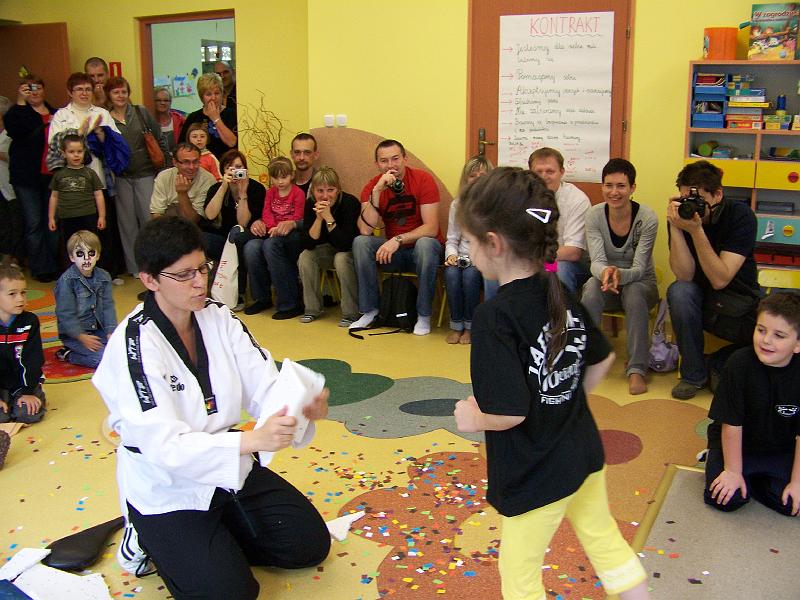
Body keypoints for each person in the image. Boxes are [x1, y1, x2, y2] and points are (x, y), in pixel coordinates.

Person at [92, 217, 331, 600]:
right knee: (230, 593)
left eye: (202, 268)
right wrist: (252, 440)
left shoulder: (217, 316)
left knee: (307, 545)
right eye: (184, 275)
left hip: (225, 466)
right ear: (150, 280)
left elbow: (264, 383)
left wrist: (301, 404)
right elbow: (165, 446)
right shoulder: (134, 345)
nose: (199, 282)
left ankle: (211, 537)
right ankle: (144, 536)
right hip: (166, 483)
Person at [452, 167, 649, 600]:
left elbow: (508, 413)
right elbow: (602, 358)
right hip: (582, 452)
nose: (469, 250)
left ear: (494, 243)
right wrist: (562, 400)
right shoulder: (557, 288)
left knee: (519, 575)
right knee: (605, 541)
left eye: (469, 241)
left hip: (534, 470)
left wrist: (472, 418)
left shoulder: (493, 317)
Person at [666, 160, 759, 400]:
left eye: (698, 201)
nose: (691, 207)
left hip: (738, 302)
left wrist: (696, 231)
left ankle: (715, 362)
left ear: (718, 194)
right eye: (686, 199)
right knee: (679, 291)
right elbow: (684, 275)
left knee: (772, 343)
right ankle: (693, 376)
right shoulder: (681, 216)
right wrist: (676, 227)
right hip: (700, 301)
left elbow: (720, 279)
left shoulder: (740, 216)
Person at [704, 292, 800, 517]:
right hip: (737, 444)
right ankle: (725, 465)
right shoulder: (739, 364)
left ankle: (755, 479)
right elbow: (731, 424)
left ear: (797, 345)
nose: (766, 340)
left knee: (791, 504)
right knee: (725, 499)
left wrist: (797, 482)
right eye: (761, 330)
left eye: (779, 335)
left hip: (780, 448)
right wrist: (732, 472)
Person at [581, 159, 658, 395]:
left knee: (633, 292)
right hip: (605, 282)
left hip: (641, 284)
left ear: (633, 188)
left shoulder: (648, 218)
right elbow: (596, 262)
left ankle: (637, 369)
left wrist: (618, 274)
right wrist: (606, 273)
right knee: (590, 289)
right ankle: (588, 359)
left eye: (621, 186)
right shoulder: (594, 215)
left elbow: (639, 268)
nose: (614, 192)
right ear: (602, 186)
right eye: (609, 185)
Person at [351, 139, 443, 336]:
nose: (390, 165)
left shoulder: (422, 179)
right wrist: (377, 191)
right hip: (393, 254)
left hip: (421, 251)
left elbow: (431, 228)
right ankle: (370, 310)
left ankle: (424, 315)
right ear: (377, 164)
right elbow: (365, 229)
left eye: (395, 159)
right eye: (384, 161)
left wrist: (397, 239)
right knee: (361, 243)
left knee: (426, 244)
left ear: (405, 159)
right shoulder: (373, 187)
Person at [49, 72, 129, 282]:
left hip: (98, 177)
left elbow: (117, 144)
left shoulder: (101, 113)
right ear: (70, 92)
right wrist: (81, 132)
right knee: (73, 233)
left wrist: (101, 134)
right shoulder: (61, 115)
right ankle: (75, 274)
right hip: (71, 185)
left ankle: (105, 272)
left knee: (101, 228)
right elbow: (54, 145)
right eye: (79, 89)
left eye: (87, 89)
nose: (84, 93)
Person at [106, 76, 168, 277]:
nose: (120, 96)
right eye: (116, 92)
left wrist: (164, 168)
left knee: (150, 222)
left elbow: (159, 137)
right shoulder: (105, 117)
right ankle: (134, 268)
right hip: (121, 177)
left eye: (123, 91)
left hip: (145, 174)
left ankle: (154, 264)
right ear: (109, 95)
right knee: (127, 226)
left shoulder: (140, 112)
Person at [5, 74, 59, 281]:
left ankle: (54, 265)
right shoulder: (17, 113)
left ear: (44, 89)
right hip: (27, 178)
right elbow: (15, 130)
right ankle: (41, 268)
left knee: (52, 222)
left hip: (52, 176)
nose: (34, 92)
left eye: (37, 87)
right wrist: (20, 102)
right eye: (28, 88)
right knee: (34, 223)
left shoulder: (56, 113)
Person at [203, 149, 266, 308]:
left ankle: (239, 293)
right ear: (223, 170)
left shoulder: (256, 188)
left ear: (245, 169)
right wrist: (224, 186)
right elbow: (210, 215)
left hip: (246, 236)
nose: (234, 171)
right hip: (224, 240)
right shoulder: (216, 188)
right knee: (201, 237)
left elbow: (243, 223)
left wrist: (242, 193)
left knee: (237, 235)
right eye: (229, 167)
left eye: (238, 167)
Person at [243, 157, 305, 318]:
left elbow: (298, 216)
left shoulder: (298, 193)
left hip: (291, 235)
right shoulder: (270, 193)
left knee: (269, 245)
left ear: (292, 175)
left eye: (284, 177)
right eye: (276, 178)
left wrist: (282, 228)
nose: (280, 181)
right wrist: (271, 227)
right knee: (251, 247)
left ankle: (289, 303)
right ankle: (262, 298)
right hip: (272, 232)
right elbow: (266, 213)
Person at [298, 166, 360, 326]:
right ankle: (312, 309)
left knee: (341, 258)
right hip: (326, 250)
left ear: (338, 189)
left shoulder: (350, 203)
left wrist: (329, 218)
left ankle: (351, 313)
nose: (325, 196)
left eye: (330, 190)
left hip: (350, 251)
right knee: (305, 256)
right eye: (320, 191)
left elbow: (344, 244)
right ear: (313, 192)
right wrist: (319, 219)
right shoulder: (310, 204)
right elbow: (307, 243)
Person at [528, 147, 591, 294]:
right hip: (533, 259)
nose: (544, 177)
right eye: (538, 172)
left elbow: (573, 252)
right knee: (500, 267)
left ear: (561, 172)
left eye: (550, 171)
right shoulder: (523, 195)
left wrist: (535, 260)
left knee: (557, 269)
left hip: (568, 263)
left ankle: (562, 309)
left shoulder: (577, 200)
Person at [444, 156, 492, 344]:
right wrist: (452, 256)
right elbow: (452, 239)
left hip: (483, 259)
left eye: (483, 175)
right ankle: (456, 325)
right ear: (466, 179)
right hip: (461, 257)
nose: (477, 179)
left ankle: (470, 327)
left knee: (470, 276)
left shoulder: (495, 204)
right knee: (451, 274)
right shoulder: (457, 204)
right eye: (473, 175)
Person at [54, 231, 116, 368]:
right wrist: (81, 336)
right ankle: (68, 354)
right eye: (80, 254)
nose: (86, 259)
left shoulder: (104, 277)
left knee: (121, 353)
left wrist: (111, 331)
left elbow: (108, 307)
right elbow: (65, 314)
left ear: (98, 255)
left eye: (91, 253)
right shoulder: (66, 281)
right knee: (102, 360)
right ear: (72, 257)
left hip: (99, 330)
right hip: (75, 336)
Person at [0, 264, 45, 425]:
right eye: (12, 294)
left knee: (27, 414)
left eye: (23, 292)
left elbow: (33, 360)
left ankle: (32, 395)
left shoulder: (29, 321)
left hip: (24, 384)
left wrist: (27, 391)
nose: (20, 298)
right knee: (1, 418)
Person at [48, 134, 106, 247]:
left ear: (84, 152)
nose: (76, 155)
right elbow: (54, 196)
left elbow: (99, 195)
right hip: (66, 218)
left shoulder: (90, 173)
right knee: (70, 246)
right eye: (71, 152)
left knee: (90, 245)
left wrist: (102, 216)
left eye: (79, 151)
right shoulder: (59, 175)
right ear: (64, 154)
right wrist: (51, 218)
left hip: (88, 216)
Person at [149, 142, 215, 221]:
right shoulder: (163, 177)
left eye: (195, 161)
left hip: (196, 225)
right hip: (167, 223)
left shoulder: (208, 179)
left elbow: (194, 220)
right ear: (175, 162)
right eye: (186, 162)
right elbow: (156, 213)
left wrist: (182, 194)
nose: (192, 167)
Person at [178, 73, 237, 161]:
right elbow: (181, 147)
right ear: (202, 97)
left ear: (222, 94)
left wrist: (216, 118)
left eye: (217, 93)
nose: (213, 98)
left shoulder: (231, 114)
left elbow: (232, 143)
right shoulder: (193, 117)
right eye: (208, 94)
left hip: (226, 164)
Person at [0, 96, 24, 268]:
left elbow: (14, 157)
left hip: (11, 185)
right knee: (3, 222)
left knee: (15, 222)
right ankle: (5, 254)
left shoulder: (11, 134)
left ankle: (15, 257)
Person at [153, 86, 185, 155]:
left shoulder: (180, 120)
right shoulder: (148, 122)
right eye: (158, 100)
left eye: (166, 100)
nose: (162, 103)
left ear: (170, 102)